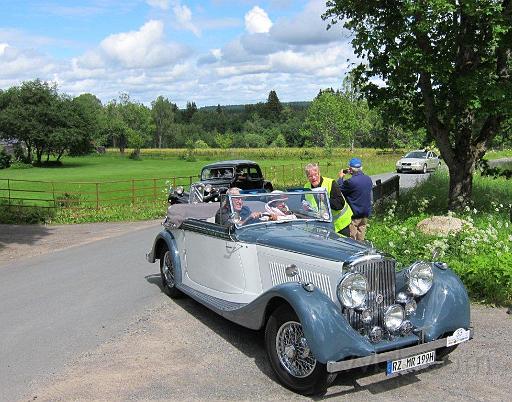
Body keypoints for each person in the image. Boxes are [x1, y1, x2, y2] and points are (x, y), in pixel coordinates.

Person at [304, 163, 352, 236]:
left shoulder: (330, 183)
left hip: (340, 224)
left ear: (319, 173)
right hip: (323, 226)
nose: (313, 178)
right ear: (307, 177)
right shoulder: (306, 187)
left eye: (315, 174)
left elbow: (339, 205)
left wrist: (326, 200)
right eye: (310, 176)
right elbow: (304, 203)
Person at [337, 157, 373, 241]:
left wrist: (341, 178)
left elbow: (340, 189)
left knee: (352, 239)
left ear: (350, 169)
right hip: (365, 214)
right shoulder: (368, 179)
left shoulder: (350, 182)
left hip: (355, 214)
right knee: (361, 238)